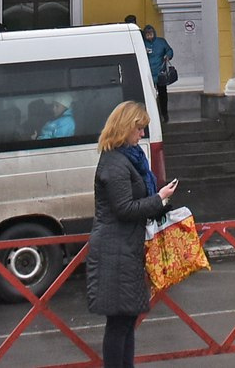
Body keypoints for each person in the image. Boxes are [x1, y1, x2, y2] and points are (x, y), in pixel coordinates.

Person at [84, 102, 177, 368]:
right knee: (119, 321)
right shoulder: (115, 162)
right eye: (139, 128)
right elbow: (123, 208)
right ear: (125, 128)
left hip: (125, 248)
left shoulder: (128, 158)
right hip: (115, 250)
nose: (142, 134)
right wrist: (159, 199)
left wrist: (159, 200)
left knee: (127, 319)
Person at [129, 15, 176, 121]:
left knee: (163, 94)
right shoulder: (142, 43)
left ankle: (164, 113)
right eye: (147, 35)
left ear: (154, 34)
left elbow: (169, 50)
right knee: (149, 95)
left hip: (160, 73)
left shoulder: (161, 42)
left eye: (151, 34)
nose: (149, 36)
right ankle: (152, 115)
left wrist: (167, 56)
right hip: (148, 73)